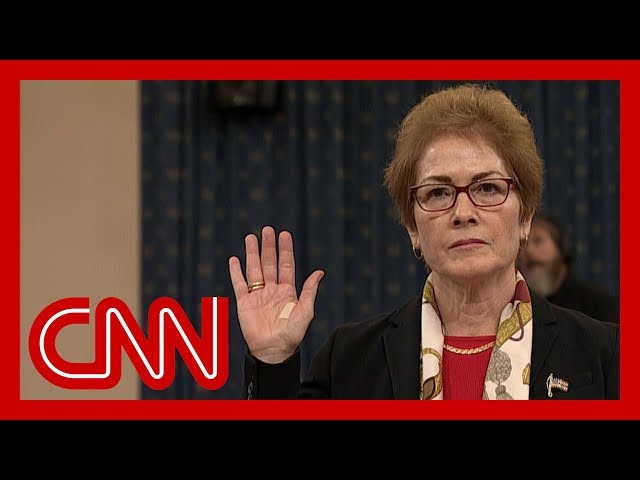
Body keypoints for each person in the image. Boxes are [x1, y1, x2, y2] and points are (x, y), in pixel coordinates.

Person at [228, 83, 619, 400]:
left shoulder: (605, 354)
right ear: (412, 227)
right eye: (438, 193)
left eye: (487, 188)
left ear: (526, 216)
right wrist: (272, 361)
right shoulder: (348, 360)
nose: (463, 212)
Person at [518, 213, 620, 324]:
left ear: (561, 248)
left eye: (538, 241)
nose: (529, 251)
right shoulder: (517, 306)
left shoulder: (597, 304)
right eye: (523, 244)